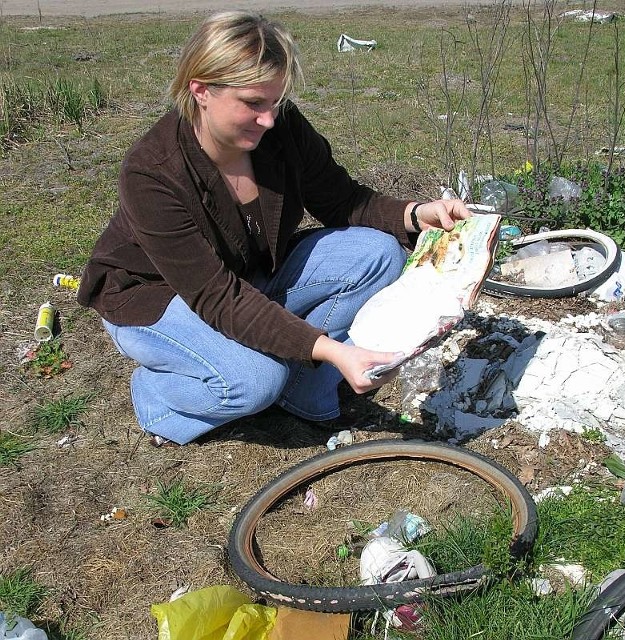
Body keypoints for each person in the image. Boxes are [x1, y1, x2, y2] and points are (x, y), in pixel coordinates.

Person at [78, 11, 470, 445]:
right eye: (253, 103)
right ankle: (158, 399)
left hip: (245, 276)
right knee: (254, 381)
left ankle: (302, 388)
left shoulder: (278, 128)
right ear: (201, 90)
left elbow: (343, 200)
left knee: (379, 253)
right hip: (152, 297)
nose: (268, 119)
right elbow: (217, 297)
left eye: (275, 101)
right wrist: (333, 349)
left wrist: (418, 214)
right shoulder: (153, 173)